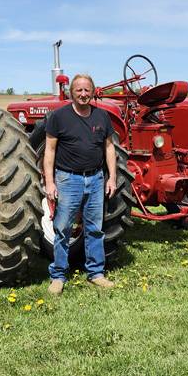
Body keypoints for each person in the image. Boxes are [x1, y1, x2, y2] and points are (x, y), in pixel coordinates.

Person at [43, 74, 118, 295]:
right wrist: (50, 182)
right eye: (79, 90)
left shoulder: (102, 116)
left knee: (95, 228)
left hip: (95, 179)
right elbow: (50, 151)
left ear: (93, 91)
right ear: (71, 93)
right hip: (68, 179)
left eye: (87, 90)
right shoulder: (58, 117)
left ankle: (96, 273)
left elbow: (109, 148)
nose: (83, 94)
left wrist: (111, 177)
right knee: (63, 228)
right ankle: (58, 276)